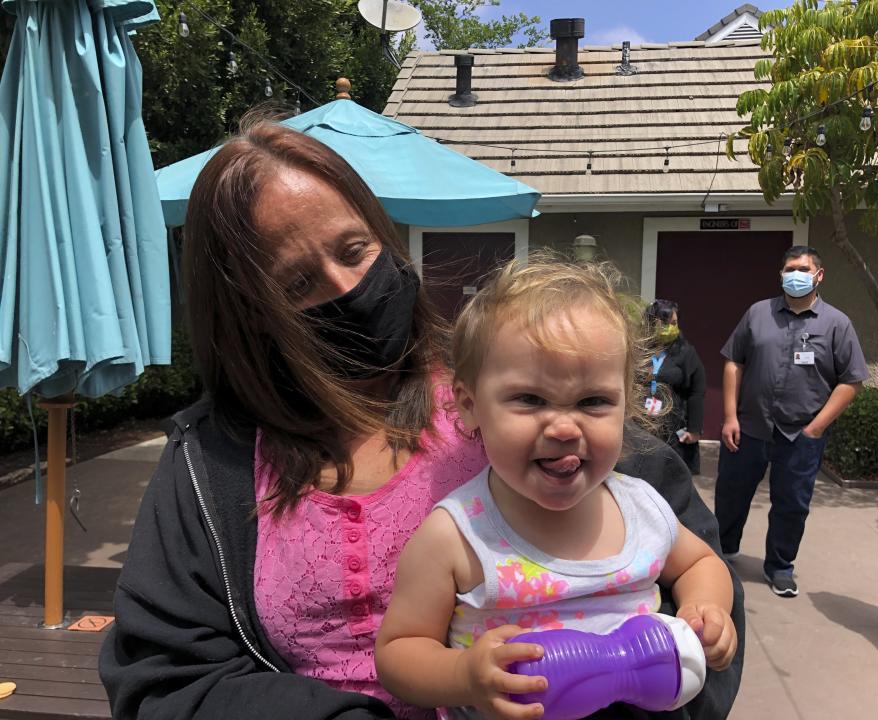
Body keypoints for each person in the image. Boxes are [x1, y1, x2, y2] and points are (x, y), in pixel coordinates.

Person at [99, 121, 744, 720]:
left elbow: (698, 587)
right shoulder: (212, 464)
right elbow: (167, 678)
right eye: (297, 284)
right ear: (247, 317)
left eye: (355, 249)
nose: (345, 285)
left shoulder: (522, 397)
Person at [375, 257, 736, 720]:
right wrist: (464, 674)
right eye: (530, 399)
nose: (564, 427)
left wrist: (707, 611)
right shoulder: (458, 537)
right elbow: (399, 651)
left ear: (626, 401)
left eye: (593, 401)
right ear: (469, 405)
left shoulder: (640, 507)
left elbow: (701, 562)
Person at [714, 245, 869, 598]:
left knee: (792, 504)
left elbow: (852, 381)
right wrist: (728, 416)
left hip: (800, 434)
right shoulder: (758, 313)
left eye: (802, 268)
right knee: (731, 494)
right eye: (788, 269)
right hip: (750, 427)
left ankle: (780, 566)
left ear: (819, 275)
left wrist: (815, 428)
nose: (794, 275)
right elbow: (733, 362)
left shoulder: (836, 324)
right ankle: (721, 551)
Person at [643, 300, 707, 475]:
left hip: (673, 427)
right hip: (642, 426)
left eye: (674, 323)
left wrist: (694, 430)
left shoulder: (686, 352)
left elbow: (697, 393)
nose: (670, 327)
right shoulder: (639, 350)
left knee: (671, 478)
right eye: (664, 323)